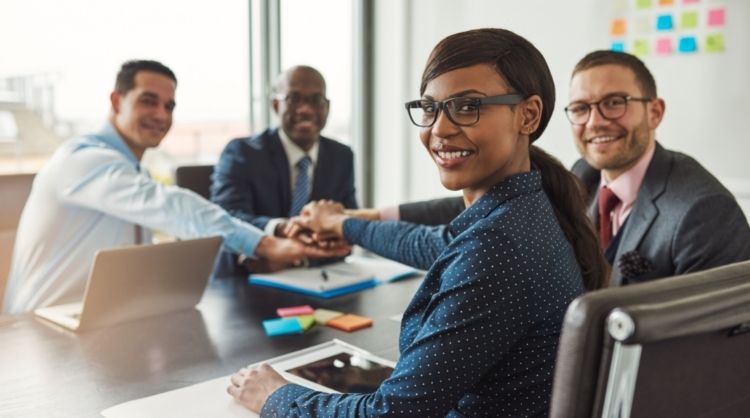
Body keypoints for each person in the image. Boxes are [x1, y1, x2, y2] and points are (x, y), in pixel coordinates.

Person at [226, 28, 608, 417]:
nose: (439, 129)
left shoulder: (498, 244)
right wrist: (343, 224)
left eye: (467, 106)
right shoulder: (526, 208)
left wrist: (275, 396)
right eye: (430, 108)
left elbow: (391, 413)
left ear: (528, 115)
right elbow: (429, 242)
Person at [370, 50, 750, 286]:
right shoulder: (582, 175)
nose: (596, 122)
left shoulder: (701, 211)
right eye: (581, 108)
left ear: (655, 111)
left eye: (614, 102)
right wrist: (373, 215)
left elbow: (711, 353)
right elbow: (483, 206)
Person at [2, 60, 346, 315]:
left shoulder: (130, 171)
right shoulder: (82, 159)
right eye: (148, 101)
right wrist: (266, 243)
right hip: (36, 330)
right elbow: (170, 205)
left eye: (169, 106)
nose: (161, 115)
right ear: (116, 100)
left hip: (101, 324)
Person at [211, 65, 357, 276]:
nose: (305, 109)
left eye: (316, 100)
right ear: (275, 105)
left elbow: (348, 221)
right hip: (248, 278)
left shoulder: (341, 156)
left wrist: (300, 257)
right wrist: (282, 228)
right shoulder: (242, 153)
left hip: (316, 277)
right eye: (294, 99)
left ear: (327, 107)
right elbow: (227, 216)